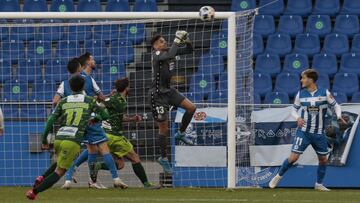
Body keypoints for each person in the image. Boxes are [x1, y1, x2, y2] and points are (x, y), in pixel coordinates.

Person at [26, 74, 111, 200]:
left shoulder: (63, 101)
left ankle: (42, 177)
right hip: (72, 140)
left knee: (61, 161)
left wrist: (44, 140)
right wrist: (95, 118)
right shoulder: (89, 100)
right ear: (83, 87)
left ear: (70, 88)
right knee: (60, 172)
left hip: (59, 137)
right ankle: (34, 192)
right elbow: (105, 115)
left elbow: (51, 121)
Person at [269, 69, 347, 191]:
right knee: (293, 158)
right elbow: (293, 110)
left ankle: (319, 184)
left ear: (311, 79)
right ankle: (278, 176)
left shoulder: (324, 93)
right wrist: (298, 117)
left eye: (303, 78)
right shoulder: (300, 94)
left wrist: (338, 116)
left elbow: (336, 105)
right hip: (303, 132)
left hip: (319, 133)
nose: (301, 80)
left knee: (323, 160)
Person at [62, 52, 125, 189]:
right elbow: (99, 99)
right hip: (91, 117)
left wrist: (108, 96)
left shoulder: (72, 80)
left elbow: (100, 97)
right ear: (86, 63)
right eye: (92, 59)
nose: (94, 60)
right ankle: (115, 178)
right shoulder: (85, 79)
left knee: (92, 149)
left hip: (78, 118)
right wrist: (106, 103)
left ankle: (82, 178)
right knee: (102, 147)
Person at [90, 78, 160, 189]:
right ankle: (146, 184)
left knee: (120, 164)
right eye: (129, 86)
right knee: (135, 158)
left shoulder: (118, 100)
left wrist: (132, 119)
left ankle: (97, 165)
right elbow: (100, 100)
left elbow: (120, 118)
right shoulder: (119, 100)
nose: (130, 88)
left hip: (105, 136)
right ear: (126, 88)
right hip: (114, 136)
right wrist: (98, 98)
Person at [149, 31, 196, 173]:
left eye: (165, 40)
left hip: (169, 91)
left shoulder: (169, 52)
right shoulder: (157, 55)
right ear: (155, 46)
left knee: (191, 108)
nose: (165, 43)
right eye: (161, 42)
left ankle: (181, 132)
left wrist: (187, 40)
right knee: (164, 127)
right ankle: (163, 158)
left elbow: (189, 50)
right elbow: (170, 55)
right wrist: (177, 39)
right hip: (157, 96)